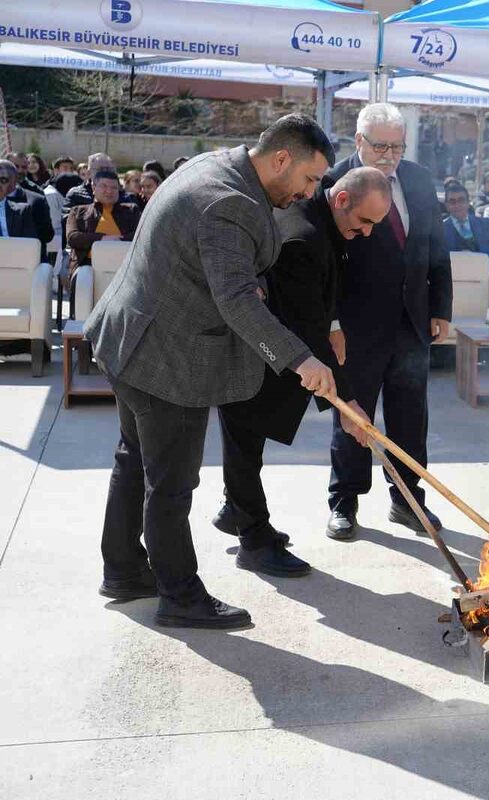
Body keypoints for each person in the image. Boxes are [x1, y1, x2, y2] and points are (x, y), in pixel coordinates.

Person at [84, 113, 338, 630]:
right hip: (164, 357)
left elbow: (217, 267)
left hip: (131, 334)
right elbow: (239, 305)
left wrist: (248, 281)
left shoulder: (220, 165)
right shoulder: (232, 203)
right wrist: (301, 359)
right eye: (310, 179)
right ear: (281, 159)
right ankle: (180, 597)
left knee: (135, 460)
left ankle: (125, 571)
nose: (312, 193)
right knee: (171, 483)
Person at [213, 168, 388, 576]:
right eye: (365, 222)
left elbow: (321, 297)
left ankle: (235, 511)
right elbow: (303, 325)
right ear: (342, 200)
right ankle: (253, 540)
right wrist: (347, 403)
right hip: (249, 351)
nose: (367, 233)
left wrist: (333, 324)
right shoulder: (302, 236)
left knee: (249, 441)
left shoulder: (325, 221)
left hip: (275, 346)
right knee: (244, 438)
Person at [325, 102, 453, 540]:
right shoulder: (333, 181)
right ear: (358, 141)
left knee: (410, 415)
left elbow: (436, 245)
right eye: (380, 146)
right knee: (354, 415)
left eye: (396, 146)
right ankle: (344, 500)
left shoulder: (417, 179)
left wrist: (441, 307)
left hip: (412, 319)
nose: (389, 155)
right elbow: (325, 264)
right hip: (358, 325)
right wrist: (332, 322)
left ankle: (407, 499)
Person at [64, 170, 141, 275]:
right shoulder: (78, 211)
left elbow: (140, 235)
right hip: (87, 266)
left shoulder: (131, 210)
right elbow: (73, 238)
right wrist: (102, 238)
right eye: (104, 186)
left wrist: (117, 240)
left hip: (124, 265)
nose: (109, 191)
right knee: (84, 277)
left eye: (114, 187)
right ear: (93, 188)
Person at [443, 180, 489, 275]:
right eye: (452, 202)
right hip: (453, 280)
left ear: (468, 202)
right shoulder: (441, 229)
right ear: (446, 205)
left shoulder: (484, 224)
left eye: (461, 200)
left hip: (482, 278)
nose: (457, 205)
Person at [0, 159, 54, 260]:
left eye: (3, 180)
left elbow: (46, 235)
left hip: (20, 259)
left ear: (14, 180)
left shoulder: (32, 203)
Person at [65, 153, 138, 208]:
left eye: (109, 169)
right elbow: (67, 220)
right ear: (89, 173)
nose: (105, 172)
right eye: (100, 169)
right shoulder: (75, 194)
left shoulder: (125, 197)